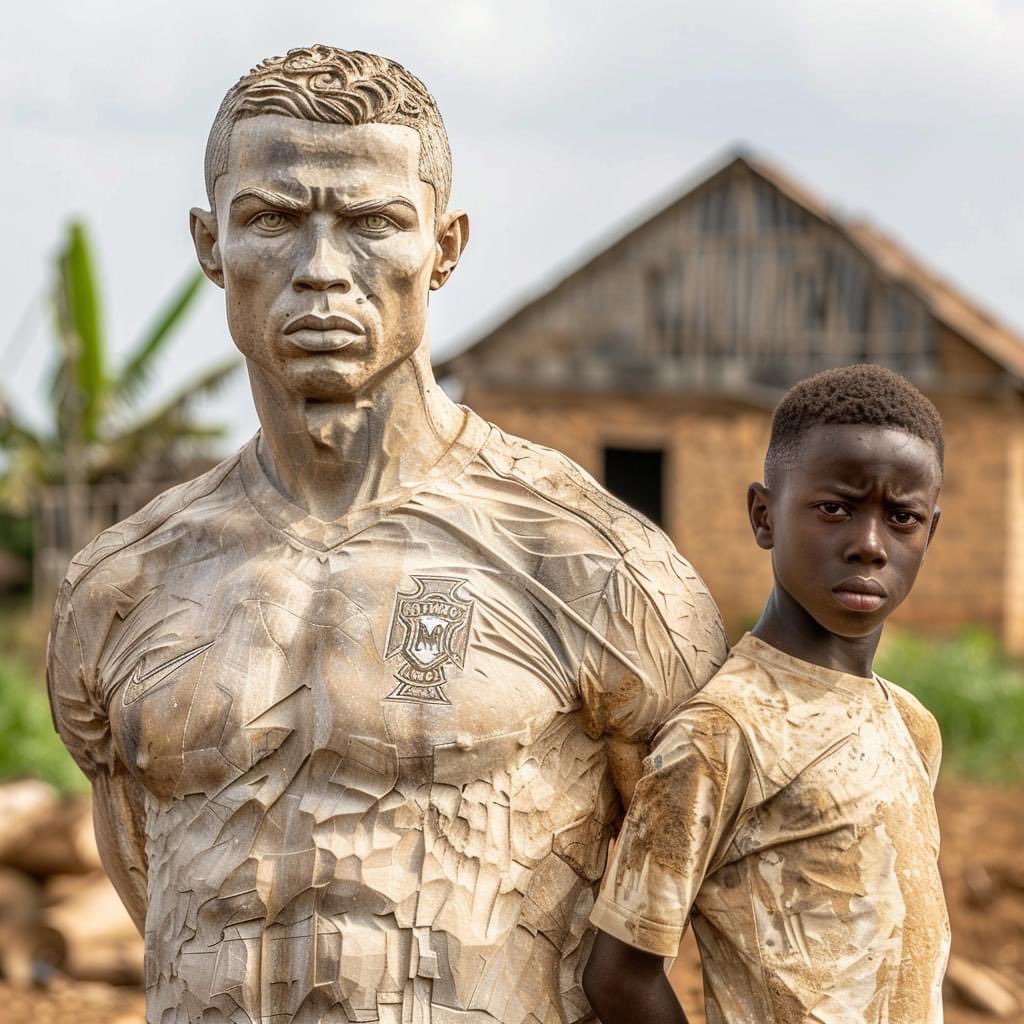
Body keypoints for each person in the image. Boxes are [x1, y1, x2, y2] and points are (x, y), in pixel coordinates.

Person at [46, 45, 727, 1023]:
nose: (322, 270)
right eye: (273, 220)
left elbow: (730, 912)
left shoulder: (587, 565)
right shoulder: (123, 587)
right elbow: (152, 884)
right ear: (210, 244)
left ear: (443, 248)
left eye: (372, 223)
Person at [584, 364, 951, 1024]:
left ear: (931, 531)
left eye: (902, 518)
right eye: (835, 508)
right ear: (764, 516)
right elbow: (619, 976)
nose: (870, 545)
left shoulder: (912, 724)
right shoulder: (723, 731)